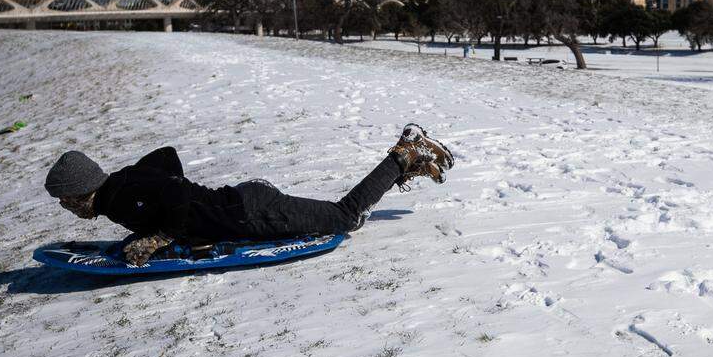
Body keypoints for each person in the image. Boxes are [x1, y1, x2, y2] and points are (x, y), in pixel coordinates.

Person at [44, 123, 454, 266]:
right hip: (245, 201)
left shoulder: (120, 197)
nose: (67, 208)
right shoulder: (123, 183)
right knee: (343, 215)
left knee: (345, 217)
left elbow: (173, 194)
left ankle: (403, 155)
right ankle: (408, 164)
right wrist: (163, 226)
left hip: (252, 214)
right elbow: (166, 159)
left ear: (81, 193)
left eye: (65, 201)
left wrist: (159, 235)